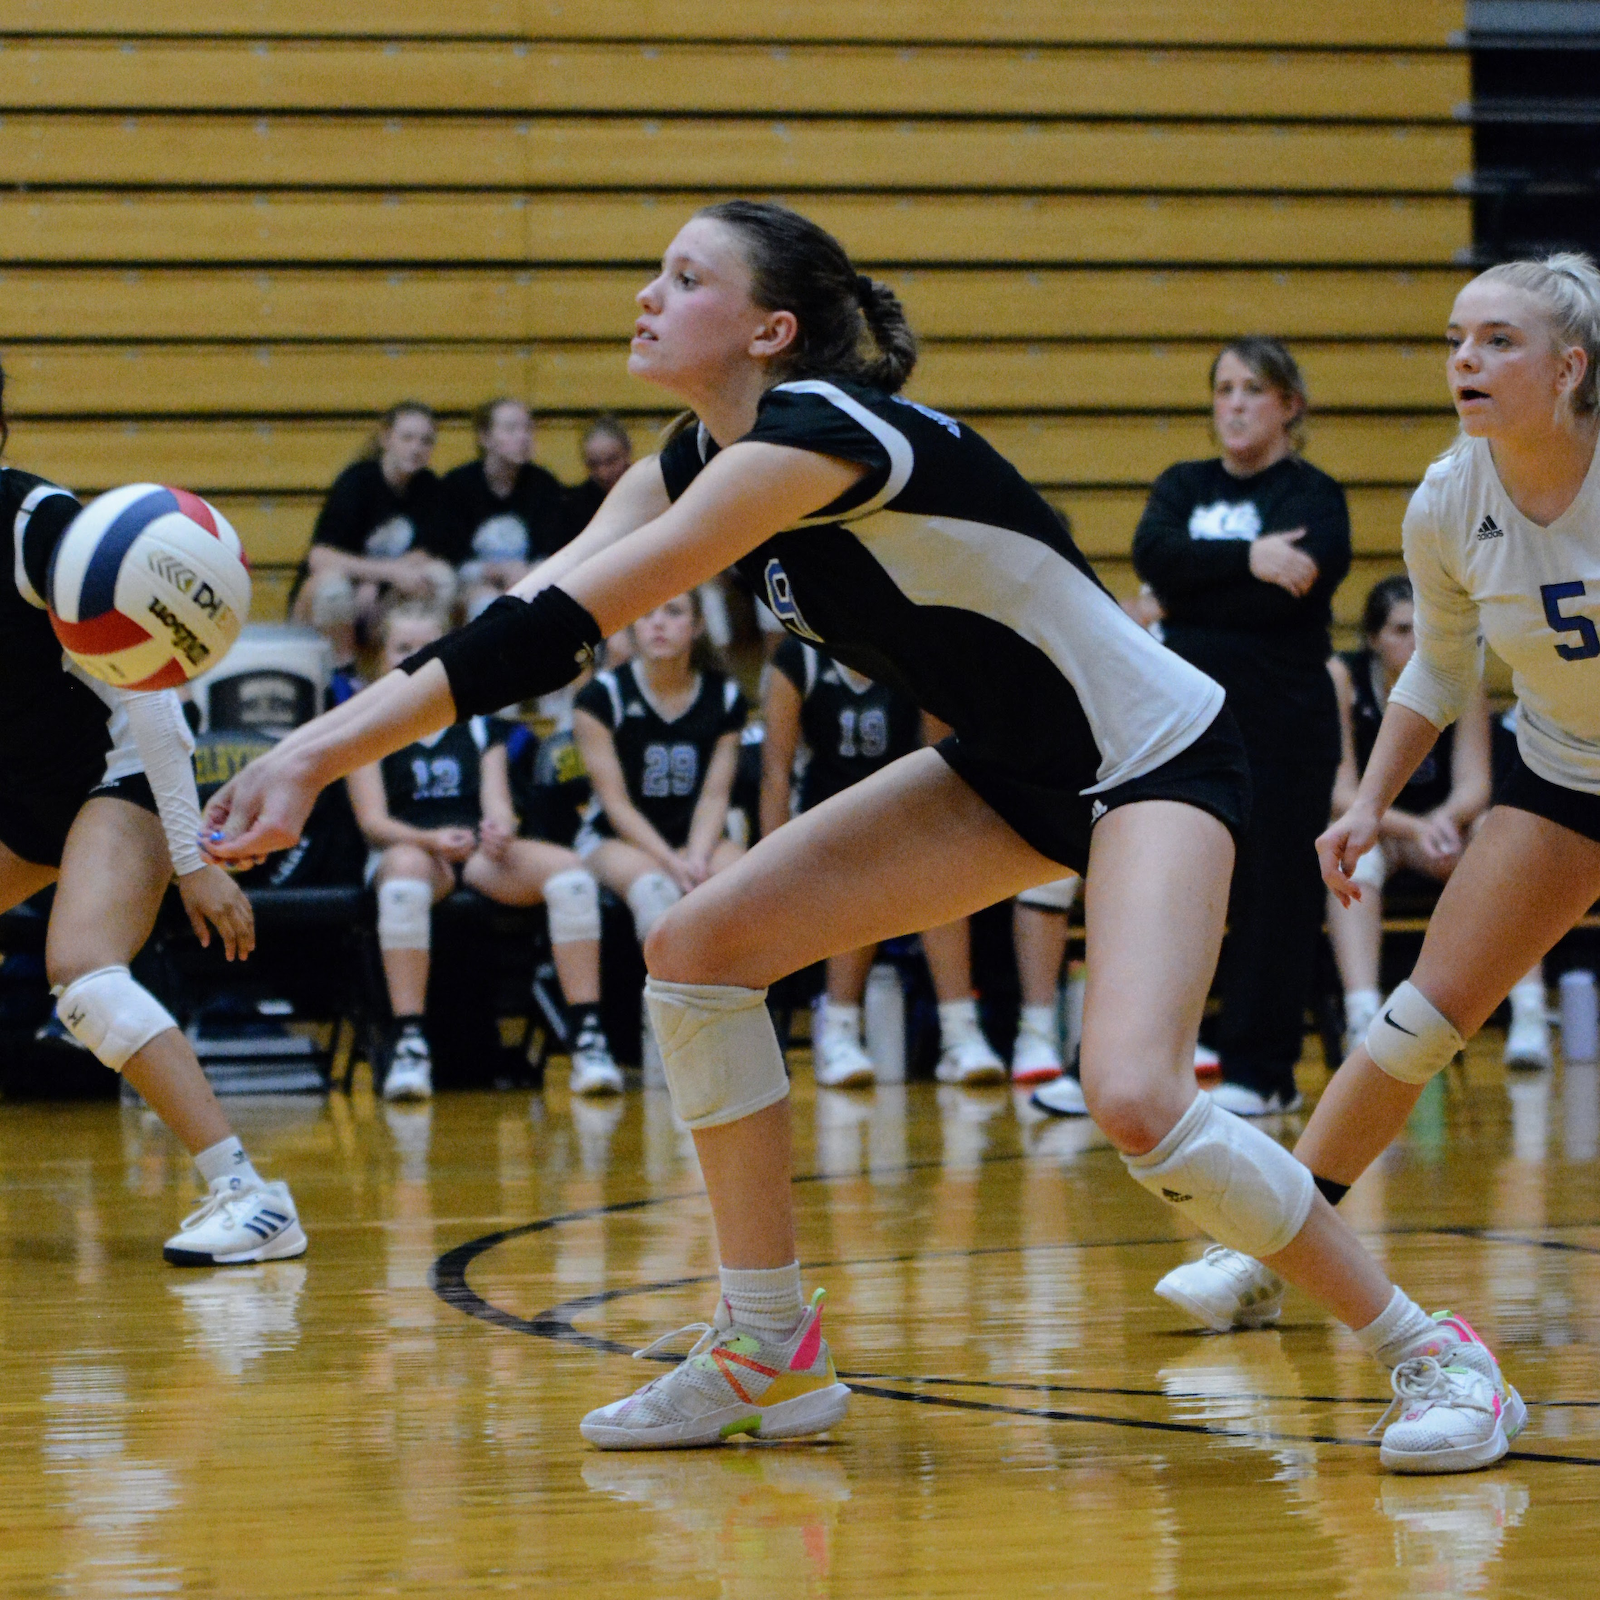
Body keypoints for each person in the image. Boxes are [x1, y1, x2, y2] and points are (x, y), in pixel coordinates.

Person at [206, 201, 1523, 1472]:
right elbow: (536, 601)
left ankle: (1434, 1353)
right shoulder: (695, 454)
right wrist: (321, 744)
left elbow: (561, 628)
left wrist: (314, 755)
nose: (648, 295)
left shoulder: (820, 436)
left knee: (1131, 1091)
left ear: (770, 330)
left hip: (1156, 754)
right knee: (698, 951)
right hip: (1008, 767)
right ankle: (768, 1350)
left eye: (685, 277)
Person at [1153, 253, 1600, 1356]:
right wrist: (1367, 803)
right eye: (1456, 340)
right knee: (1415, 1022)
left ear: (1568, 368)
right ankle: (1270, 1252)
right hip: (1565, 771)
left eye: (1498, 341)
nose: (1465, 360)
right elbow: (1440, 671)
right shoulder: (1449, 497)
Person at [0, 362, 305, 1265]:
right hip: (27, 784)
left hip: (119, 766)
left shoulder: (41, 526)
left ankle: (251, 1198)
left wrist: (191, 859)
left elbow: (154, 703)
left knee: (85, 976)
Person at [1132, 338, 1352, 1115]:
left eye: (1252, 389)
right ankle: (1159, 1057)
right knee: (1173, 889)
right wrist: (1247, 558)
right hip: (1188, 728)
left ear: (1289, 405)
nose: (1233, 404)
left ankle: (1263, 1073)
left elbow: (1282, 594)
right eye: (1223, 388)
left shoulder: (1313, 495)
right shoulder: (1182, 484)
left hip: (1285, 726)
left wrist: (1186, 591)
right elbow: (1152, 553)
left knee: (1275, 897)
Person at [346, 604, 620, 1100]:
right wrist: (430, 841)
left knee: (571, 875)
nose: (415, 658)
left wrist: (501, 828)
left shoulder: (475, 721)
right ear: (380, 659)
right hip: (408, 851)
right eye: (403, 648)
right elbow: (373, 823)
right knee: (406, 874)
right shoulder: (364, 725)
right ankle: (410, 1046)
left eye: (428, 647)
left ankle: (587, 1038)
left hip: (473, 852)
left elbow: (497, 802)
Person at [760, 634, 1006, 1087]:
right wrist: (769, 868)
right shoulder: (799, 659)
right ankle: (838, 1032)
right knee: (857, 866)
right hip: (820, 831)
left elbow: (941, 763)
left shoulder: (911, 651)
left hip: (899, 820)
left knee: (941, 875)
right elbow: (776, 774)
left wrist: (943, 846)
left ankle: (960, 1035)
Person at [1325, 575, 1544, 1064]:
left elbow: (1475, 785)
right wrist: (1413, 828)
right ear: (1372, 638)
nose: (1415, 642)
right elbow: (1341, 794)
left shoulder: (1460, 670)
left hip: (1442, 830)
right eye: (1401, 630)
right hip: (1380, 829)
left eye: (1423, 630)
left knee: (1496, 834)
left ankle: (1529, 1012)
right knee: (1348, 859)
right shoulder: (1343, 677)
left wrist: (1443, 820)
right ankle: (1363, 1016)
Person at [570, 592, 747, 957]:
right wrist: (669, 861)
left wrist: (695, 860)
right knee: (655, 893)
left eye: (674, 612)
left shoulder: (726, 696)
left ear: (698, 625)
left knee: (738, 887)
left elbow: (715, 795)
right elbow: (615, 804)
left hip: (697, 834)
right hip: (615, 838)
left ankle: (729, 992)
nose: (658, 623)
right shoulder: (601, 697)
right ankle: (663, 995)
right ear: (633, 626)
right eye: (647, 613)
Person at [292, 402, 456, 668]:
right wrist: (382, 575)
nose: (416, 448)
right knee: (333, 589)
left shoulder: (430, 487)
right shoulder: (356, 481)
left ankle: (422, 664)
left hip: (382, 602)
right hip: (330, 602)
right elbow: (320, 557)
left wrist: (377, 582)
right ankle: (343, 673)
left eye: (425, 441)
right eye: (407, 438)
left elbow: (428, 552)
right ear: (386, 438)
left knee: (439, 577)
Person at [437, 399, 567, 619]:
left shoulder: (544, 485)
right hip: (473, 583)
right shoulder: (458, 485)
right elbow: (452, 555)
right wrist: (495, 572)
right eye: (511, 429)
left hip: (528, 578)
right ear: (484, 437)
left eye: (527, 429)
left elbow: (551, 551)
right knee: (485, 603)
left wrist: (525, 574)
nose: (523, 437)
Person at [559, 415, 634, 546]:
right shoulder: (573, 507)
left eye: (611, 461)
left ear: (627, 453)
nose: (603, 473)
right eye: (593, 465)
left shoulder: (651, 495)